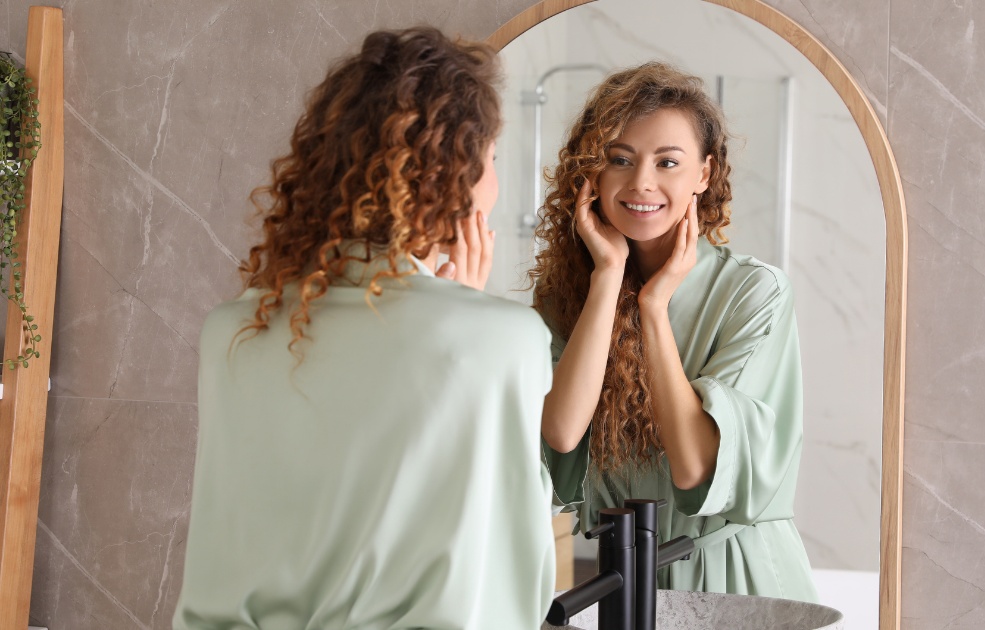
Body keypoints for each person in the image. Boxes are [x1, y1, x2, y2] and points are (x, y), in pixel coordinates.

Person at [174, 28, 556, 630]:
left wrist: (456, 306)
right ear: (453, 176)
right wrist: (464, 308)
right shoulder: (504, 340)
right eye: (492, 160)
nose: (495, 183)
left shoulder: (232, 330)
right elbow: (515, 565)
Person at [531, 62, 817, 602]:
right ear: (591, 174)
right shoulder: (571, 295)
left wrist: (653, 307)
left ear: (704, 175)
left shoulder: (755, 293)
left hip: (732, 581)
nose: (642, 182)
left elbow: (693, 467)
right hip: (624, 581)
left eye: (668, 162)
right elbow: (564, 432)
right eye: (620, 159)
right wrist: (608, 279)